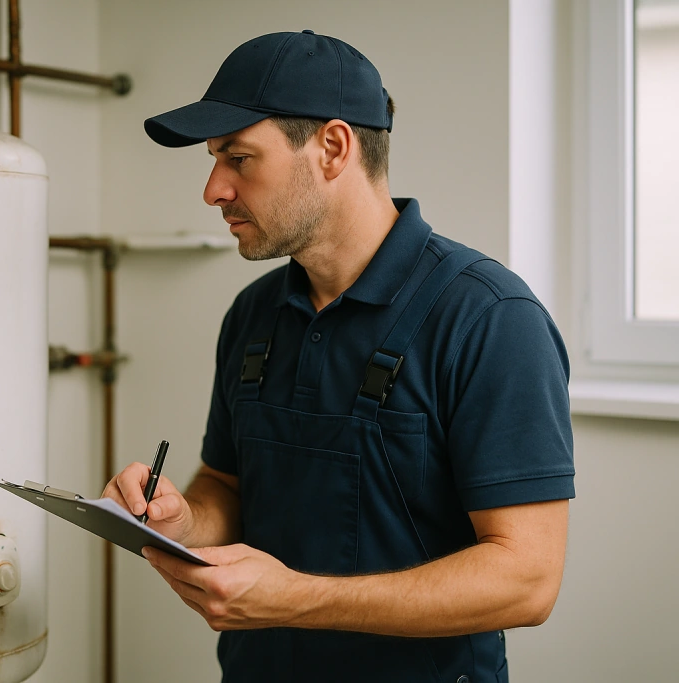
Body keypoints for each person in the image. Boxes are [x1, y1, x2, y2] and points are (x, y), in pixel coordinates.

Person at [102, 30, 573, 683]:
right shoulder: (254, 313)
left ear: (332, 147)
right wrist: (182, 520)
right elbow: (227, 485)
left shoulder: (489, 319)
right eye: (214, 161)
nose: (213, 190)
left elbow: (527, 580)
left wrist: (296, 598)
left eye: (239, 158)